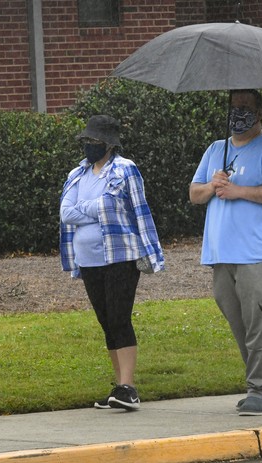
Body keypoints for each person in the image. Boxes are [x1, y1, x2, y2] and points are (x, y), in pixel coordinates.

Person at [189, 89, 262, 416]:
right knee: (241, 324)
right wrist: (213, 185)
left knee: (258, 324)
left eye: (246, 108)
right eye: (234, 108)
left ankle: (259, 389)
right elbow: (195, 193)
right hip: (221, 255)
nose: (239, 114)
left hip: (258, 255)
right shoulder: (215, 150)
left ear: (260, 112)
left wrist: (240, 191)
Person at [60, 114, 165, 411]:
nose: (89, 146)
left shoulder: (125, 170)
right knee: (106, 321)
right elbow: (66, 213)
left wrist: (89, 208)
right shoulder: (77, 174)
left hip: (120, 254)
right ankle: (119, 387)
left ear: (108, 144)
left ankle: (129, 387)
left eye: (94, 141)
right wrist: (94, 208)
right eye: (86, 141)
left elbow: (121, 207)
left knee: (120, 318)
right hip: (88, 258)